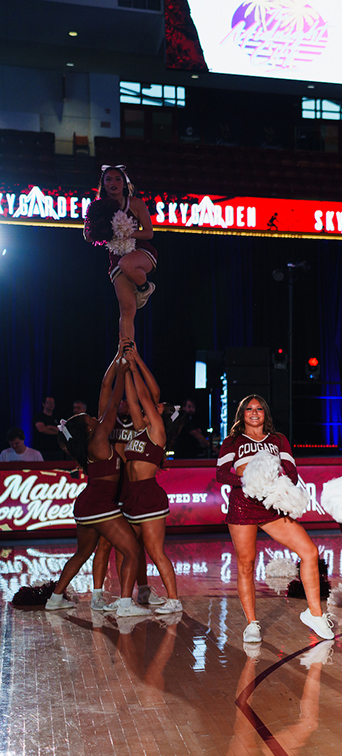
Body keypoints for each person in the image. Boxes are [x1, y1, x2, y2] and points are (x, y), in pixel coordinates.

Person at [216, 394, 334, 644]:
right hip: (243, 506)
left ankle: (315, 614)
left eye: (259, 409)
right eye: (249, 409)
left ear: (266, 414)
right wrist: (248, 482)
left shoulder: (278, 440)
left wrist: (274, 484)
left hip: (271, 505)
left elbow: (292, 471)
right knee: (246, 565)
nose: (254, 412)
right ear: (242, 414)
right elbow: (221, 474)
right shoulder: (233, 441)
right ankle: (252, 623)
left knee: (310, 552)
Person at [45, 346, 145, 612]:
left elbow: (103, 386)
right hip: (100, 505)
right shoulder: (99, 438)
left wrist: (116, 357)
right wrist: (123, 372)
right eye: (86, 417)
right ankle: (125, 603)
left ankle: (55, 599)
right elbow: (112, 402)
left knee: (82, 553)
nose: (91, 416)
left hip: (88, 505)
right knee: (133, 550)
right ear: (87, 427)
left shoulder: (90, 441)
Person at [116, 347, 182, 616]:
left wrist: (135, 364)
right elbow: (133, 400)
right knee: (129, 549)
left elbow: (143, 397)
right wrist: (127, 368)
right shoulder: (139, 430)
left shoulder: (157, 432)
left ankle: (174, 600)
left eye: (157, 408)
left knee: (156, 551)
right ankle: (127, 600)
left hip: (149, 496)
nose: (150, 407)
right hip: (131, 495)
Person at [83, 165, 157, 343]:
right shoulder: (97, 207)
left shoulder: (136, 203)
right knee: (127, 308)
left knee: (127, 264)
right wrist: (100, 231)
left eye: (118, 179)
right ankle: (127, 350)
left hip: (141, 252)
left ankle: (145, 288)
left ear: (124, 183)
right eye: (108, 179)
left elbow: (149, 233)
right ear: (103, 184)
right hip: (116, 259)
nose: (113, 183)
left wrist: (127, 233)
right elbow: (88, 236)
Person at [31, 396, 63, 460]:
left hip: (57, 450)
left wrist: (49, 427)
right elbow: (41, 429)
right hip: (42, 450)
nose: (51, 404)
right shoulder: (39, 416)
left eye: (53, 403)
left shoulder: (57, 417)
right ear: (43, 404)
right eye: (49, 402)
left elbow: (61, 431)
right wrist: (55, 430)